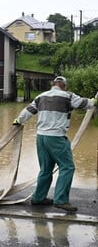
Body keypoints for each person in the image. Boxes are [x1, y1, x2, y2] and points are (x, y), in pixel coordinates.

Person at [13, 76, 97, 212]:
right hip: (56, 137)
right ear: (64, 86)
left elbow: (27, 111)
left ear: (54, 84)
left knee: (45, 169)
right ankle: (61, 200)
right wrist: (94, 100)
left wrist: (18, 120)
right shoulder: (68, 96)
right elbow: (86, 103)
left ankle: (38, 198)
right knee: (67, 167)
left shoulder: (41, 96)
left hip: (41, 137)